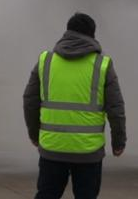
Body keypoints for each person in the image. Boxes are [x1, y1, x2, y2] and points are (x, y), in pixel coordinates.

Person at [23, 12, 126, 199]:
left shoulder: (45, 61)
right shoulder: (102, 65)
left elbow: (29, 101)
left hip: (52, 148)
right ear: (92, 35)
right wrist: (118, 142)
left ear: (67, 31)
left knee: (46, 195)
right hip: (88, 151)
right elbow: (116, 109)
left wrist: (34, 134)